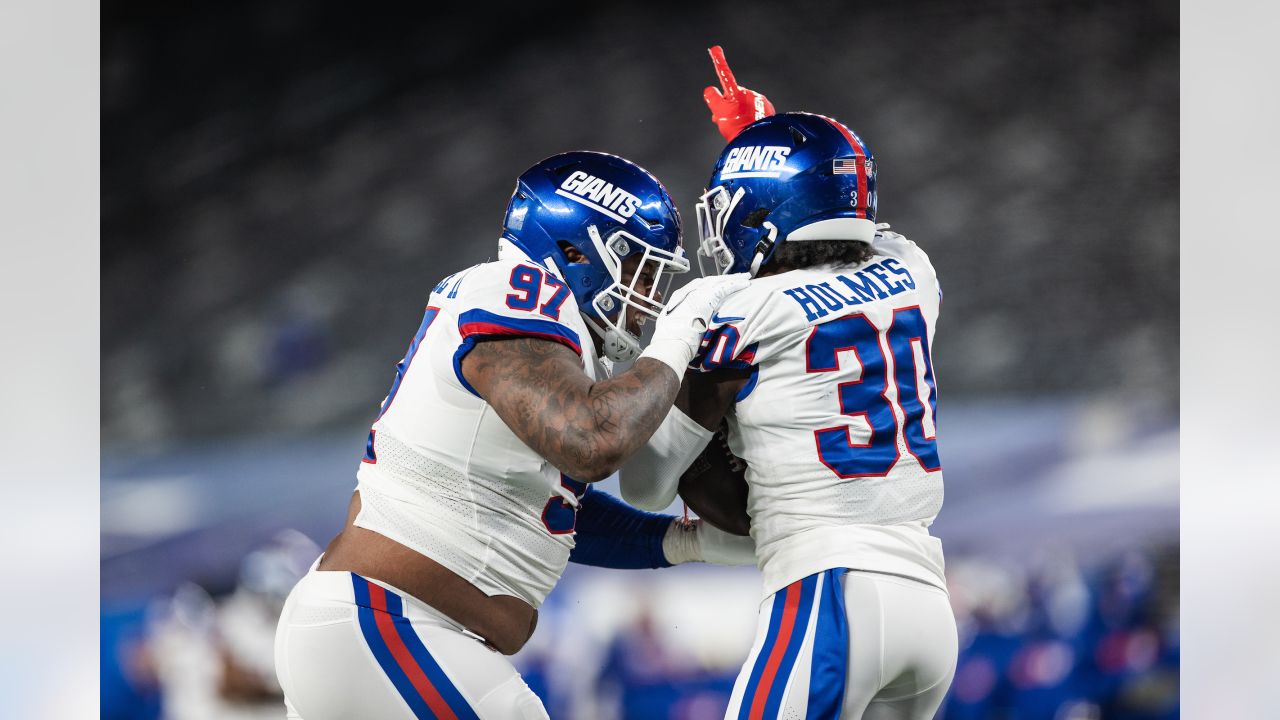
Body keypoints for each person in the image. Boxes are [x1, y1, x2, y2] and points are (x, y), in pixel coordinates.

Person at [273, 150, 751, 720]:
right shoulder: (512, 287)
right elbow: (593, 440)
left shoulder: (558, 356)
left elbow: (547, 512)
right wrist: (680, 333)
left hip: (387, 630)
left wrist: (684, 542)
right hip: (389, 621)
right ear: (575, 250)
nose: (646, 297)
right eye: (639, 268)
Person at [624, 50, 959, 719]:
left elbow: (645, 481)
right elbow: (854, 221)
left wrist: (675, 332)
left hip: (830, 596)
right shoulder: (912, 275)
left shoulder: (740, 310)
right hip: (928, 601)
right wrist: (771, 142)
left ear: (762, 213)